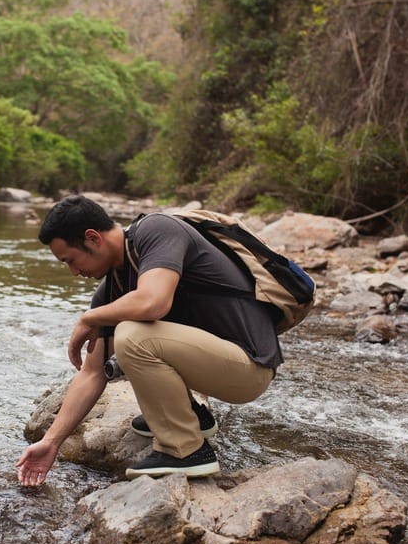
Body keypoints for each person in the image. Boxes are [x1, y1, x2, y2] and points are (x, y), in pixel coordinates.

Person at [16, 196, 281, 486]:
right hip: (216, 363)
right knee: (131, 335)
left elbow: (153, 303)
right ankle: (193, 417)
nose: (74, 272)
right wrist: (51, 442)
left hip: (249, 367)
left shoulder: (156, 230)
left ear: (92, 238)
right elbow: (92, 373)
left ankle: (185, 450)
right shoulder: (112, 289)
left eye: (71, 261)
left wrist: (88, 319)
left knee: (133, 336)